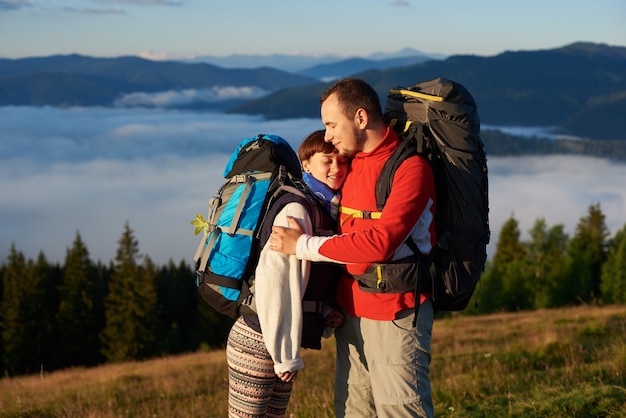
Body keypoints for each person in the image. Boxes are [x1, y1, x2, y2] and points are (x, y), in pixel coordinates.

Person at [269, 78, 437, 418]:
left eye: (332, 125)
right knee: (353, 411)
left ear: (360, 118)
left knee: (402, 411)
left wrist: (301, 245)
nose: (328, 136)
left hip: (395, 312)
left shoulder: (411, 169)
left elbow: (380, 242)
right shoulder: (352, 162)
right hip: (350, 310)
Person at [226, 130, 347, 417]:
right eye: (326, 161)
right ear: (305, 164)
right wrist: (285, 355)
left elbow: (306, 278)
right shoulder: (298, 208)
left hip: (272, 337)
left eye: (342, 161)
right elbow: (275, 279)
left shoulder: (322, 207)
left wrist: (325, 308)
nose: (336, 169)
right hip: (259, 339)